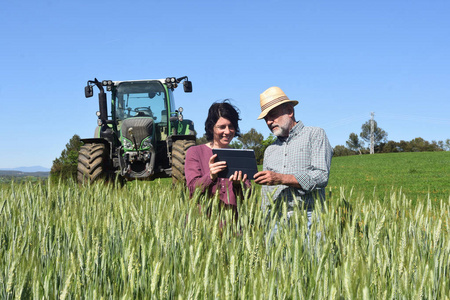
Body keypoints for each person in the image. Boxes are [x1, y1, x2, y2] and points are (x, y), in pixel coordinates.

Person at [253, 86, 333, 234]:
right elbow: (266, 192)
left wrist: (281, 178)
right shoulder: (269, 150)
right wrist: (263, 220)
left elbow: (321, 176)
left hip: (309, 216)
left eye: (273, 115)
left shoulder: (315, 135)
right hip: (275, 220)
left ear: (290, 111)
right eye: (266, 119)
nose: (269, 122)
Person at [185, 100, 251, 221]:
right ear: (211, 128)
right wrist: (210, 176)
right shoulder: (195, 152)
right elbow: (192, 189)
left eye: (231, 126)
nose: (227, 132)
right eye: (222, 127)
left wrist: (238, 185)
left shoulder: (239, 156)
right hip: (201, 227)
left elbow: (248, 195)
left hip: (232, 228)